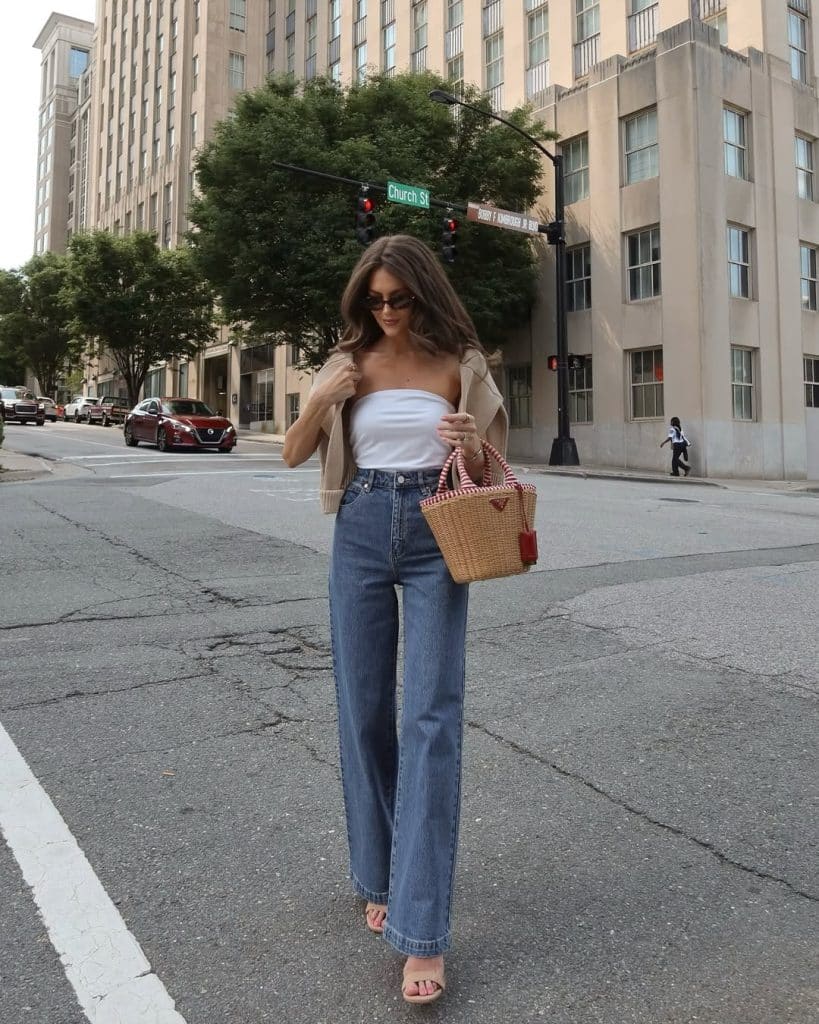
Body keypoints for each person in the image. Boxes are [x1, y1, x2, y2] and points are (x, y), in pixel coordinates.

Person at [282, 234, 507, 1005]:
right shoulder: (347, 363)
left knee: (432, 719)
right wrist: (318, 400)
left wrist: (470, 441)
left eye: (397, 299)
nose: (384, 313)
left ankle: (421, 931)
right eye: (372, 300)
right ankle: (376, 875)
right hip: (360, 523)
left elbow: (488, 474)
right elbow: (290, 453)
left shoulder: (459, 364)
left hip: (438, 523)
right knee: (364, 709)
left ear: (423, 294)